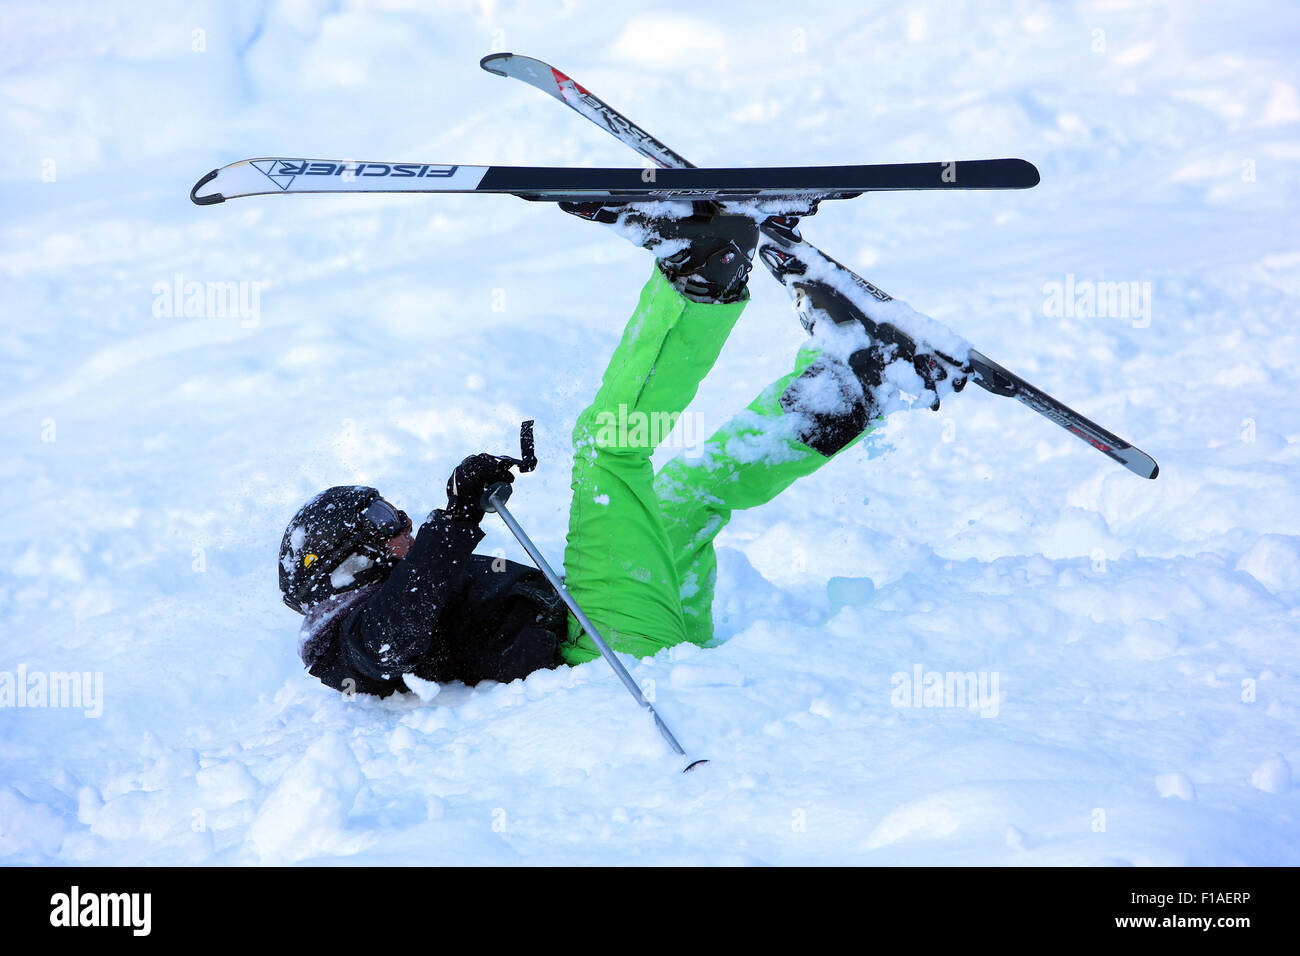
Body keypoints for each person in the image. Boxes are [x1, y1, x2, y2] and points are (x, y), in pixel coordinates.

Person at [279, 202, 946, 697]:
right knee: (608, 450)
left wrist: (455, 522)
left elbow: (426, 596)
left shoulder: (401, 584)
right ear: (340, 565)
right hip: (602, 654)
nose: (397, 522)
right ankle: (698, 278)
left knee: (687, 492)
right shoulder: (339, 644)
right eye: (376, 525)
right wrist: (452, 522)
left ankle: (855, 384)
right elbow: (394, 634)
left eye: (390, 510)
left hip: (620, 635)